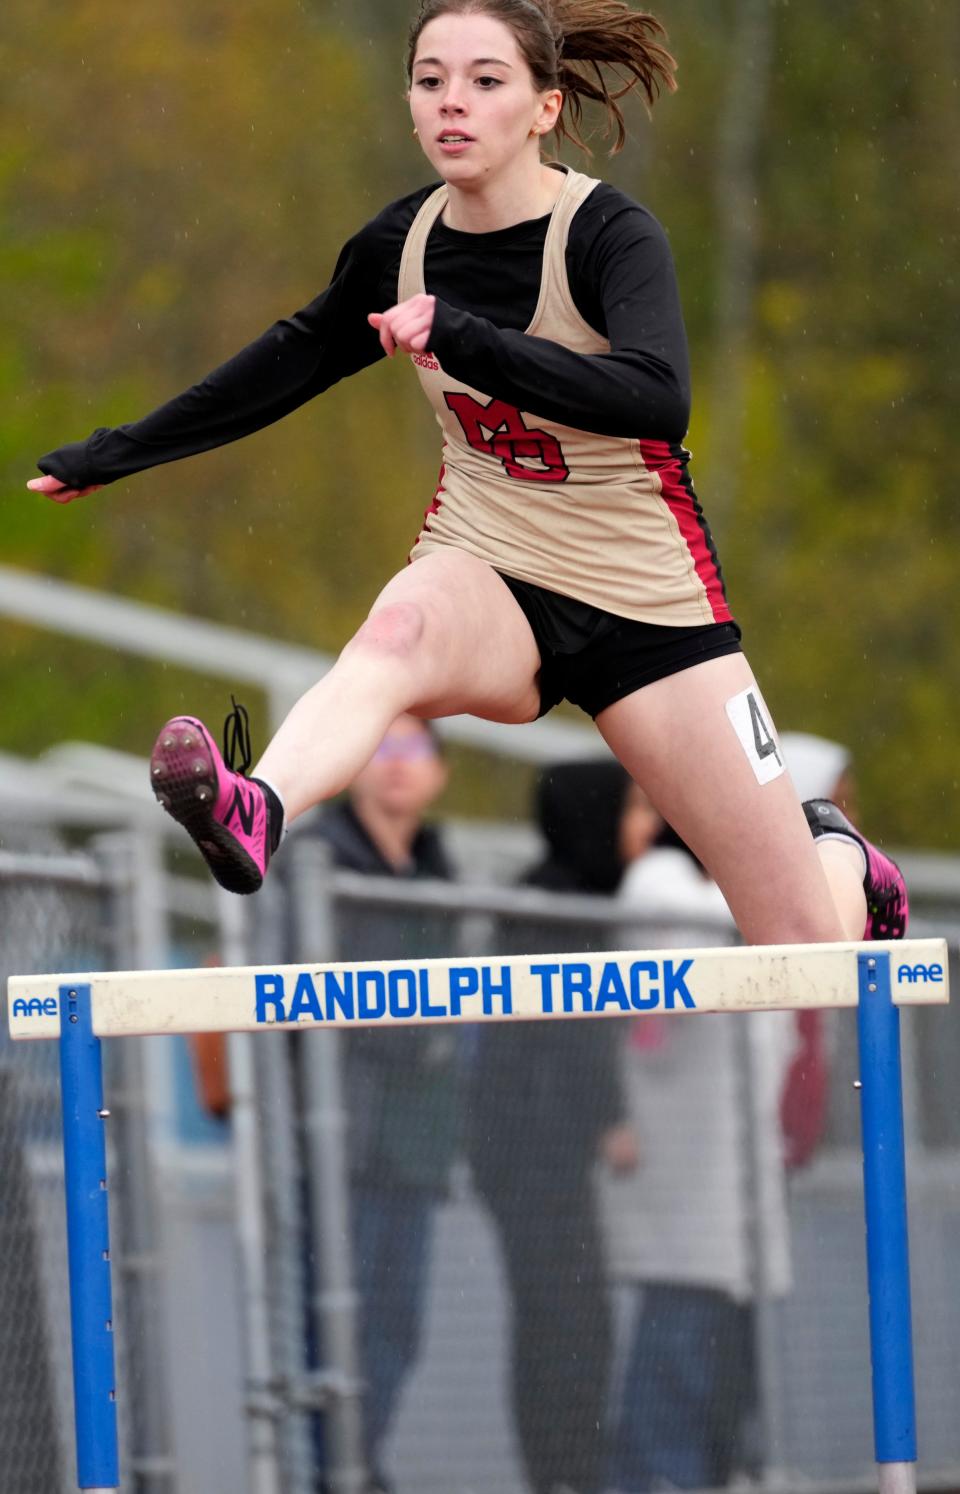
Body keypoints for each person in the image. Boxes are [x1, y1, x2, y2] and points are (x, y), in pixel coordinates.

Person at [29, 2, 908, 968]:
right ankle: (258, 807)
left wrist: (469, 339)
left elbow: (657, 400)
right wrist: (114, 452)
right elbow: (288, 361)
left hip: (648, 601)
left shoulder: (609, 234)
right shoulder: (396, 246)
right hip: (491, 560)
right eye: (431, 80)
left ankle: (836, 855)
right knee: (394, 633)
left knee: (802, 950)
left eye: (486, 81)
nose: (454, 103)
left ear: (543, 107)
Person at [467, 759, 647, 1494]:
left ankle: (568, 1470)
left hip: (540, 1153)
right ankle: (564, 1473)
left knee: (565, 1322)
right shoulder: (552, 905)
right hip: (530, 1155)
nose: (646, 826)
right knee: (565, 1324)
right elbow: (569, 1027)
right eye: (632, 809)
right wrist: (608, 1117)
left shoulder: (574, 896)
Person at [603, 819, 791, 1492]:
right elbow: (688, 975)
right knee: (673, 1368)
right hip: (683, 1179)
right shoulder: (661, 881)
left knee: (727, 1383)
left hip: (739, 1190)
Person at [303, 713, 458, 1494]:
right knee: (336, 1336)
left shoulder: (439, 871)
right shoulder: (317, 864)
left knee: (399, 1333)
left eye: (414, 748)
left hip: (415, 1152)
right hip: (343, 1151)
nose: (397, 765)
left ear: (439, 772)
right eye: (382, 746)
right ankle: (339, 1472)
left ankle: (358, 1468)